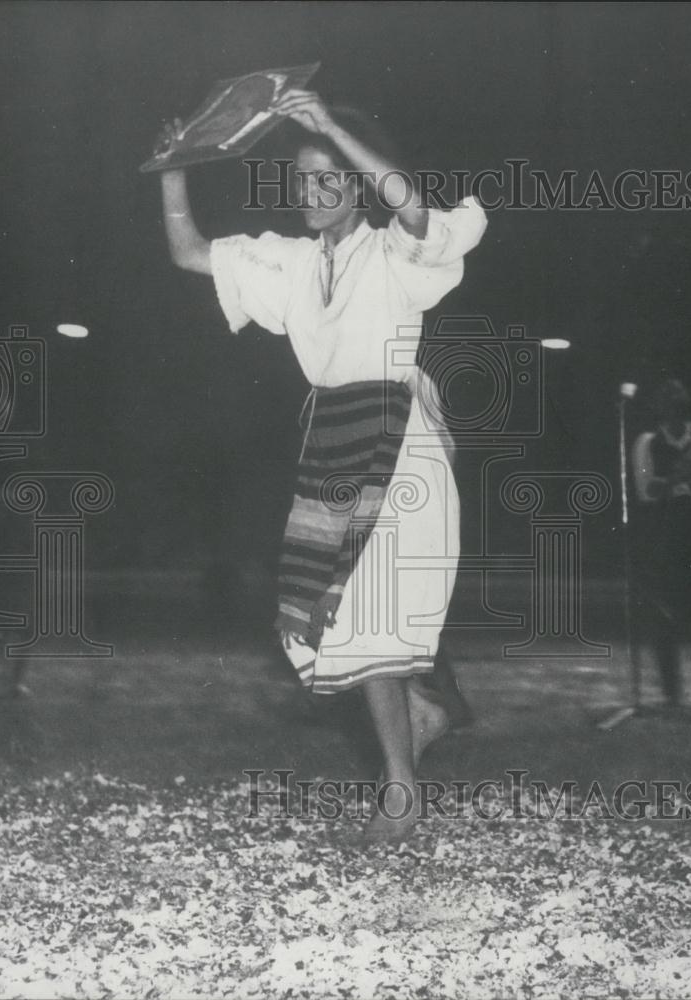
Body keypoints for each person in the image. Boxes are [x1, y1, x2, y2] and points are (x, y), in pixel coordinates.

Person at [158, 88, 487, 841]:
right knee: (331, 620)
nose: (315, 191)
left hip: (402, 441)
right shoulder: (291, 261)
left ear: (359, 184)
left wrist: (334, 124)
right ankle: (423, 713)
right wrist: (175, 169)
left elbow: (415, 212)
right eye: (304, 179)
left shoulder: (395, 250)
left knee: (370, 613)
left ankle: (400, 794)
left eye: (331, 177)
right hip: (334, 440)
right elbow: (188, 250)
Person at [631, 378, 691, 707]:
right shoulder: (648, 443)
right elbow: (646, 491)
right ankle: (671, 691)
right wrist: (679, 477)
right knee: (665, 612)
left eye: (676, 397)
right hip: (665, 533)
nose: (671, 403)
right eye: (665, 398)